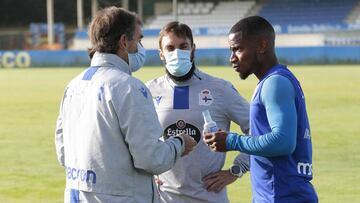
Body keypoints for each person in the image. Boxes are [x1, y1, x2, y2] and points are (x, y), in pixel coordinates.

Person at [54, 7, 196, 203]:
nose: (140, 46)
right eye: (139, 40)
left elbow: (63, 154)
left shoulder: (73, 86)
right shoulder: (128, 86)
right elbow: (151, 159)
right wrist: (179, 143)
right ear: (123, 41)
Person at [203, 16, 318, 202]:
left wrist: (232, 141)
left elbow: (283, 142)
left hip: (282, 196)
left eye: (238, 49)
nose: (232, 58)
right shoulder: (274, 80)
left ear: (262, 46)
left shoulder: (275, 83)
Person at [146, 21, 250, 203]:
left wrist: (237, 170)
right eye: (170, 48)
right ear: (161, 54)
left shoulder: (220, 89)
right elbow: (138, 141)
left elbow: (259, 129)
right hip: (163, 198)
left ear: (193, 49)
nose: (176, 53)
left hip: (208, 197)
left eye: (183, 46)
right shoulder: (148, 91)